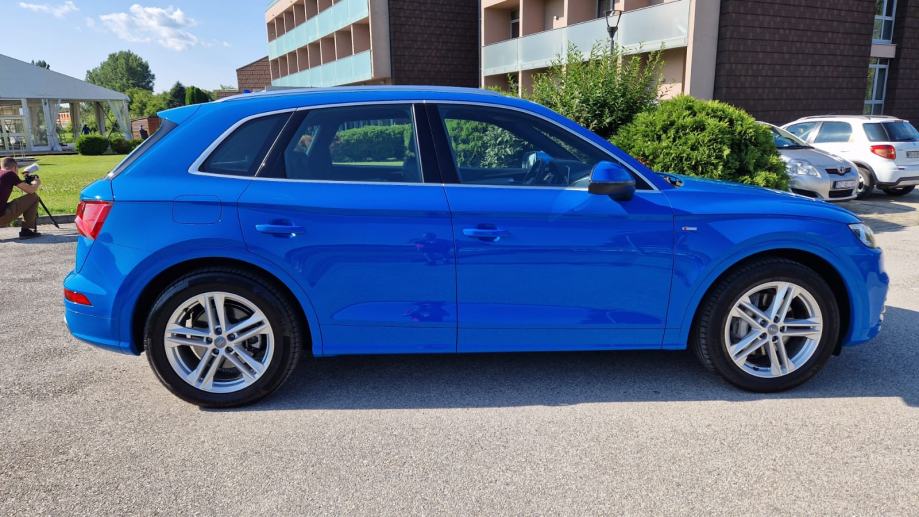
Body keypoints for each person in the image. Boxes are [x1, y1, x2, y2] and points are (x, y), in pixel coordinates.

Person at [0, 157, 42, 239]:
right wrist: (37, 182)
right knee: (33, 197)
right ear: (15, 167)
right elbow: (30, 190)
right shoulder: (10, 174)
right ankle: (26, 230)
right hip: (1, 217)